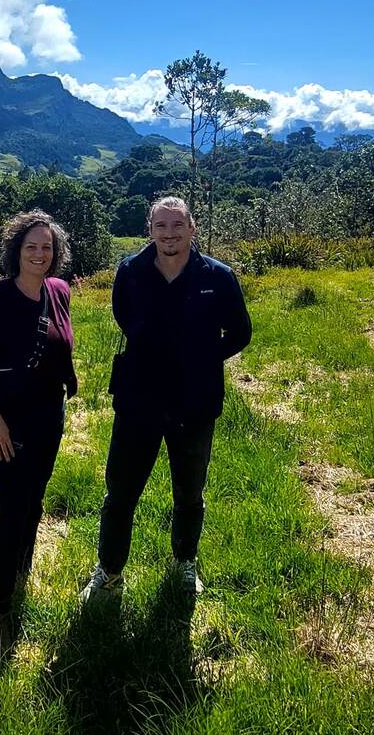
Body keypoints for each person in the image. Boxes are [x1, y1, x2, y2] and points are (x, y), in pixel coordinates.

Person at [81, 195, 251, 601]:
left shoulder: (219, 277)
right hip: (139, 399)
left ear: (192, 228)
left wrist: (200, 359)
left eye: (178, 226)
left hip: (195, 402)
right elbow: (125, 318)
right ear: (150, 230)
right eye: (161, 226)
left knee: (189, 494)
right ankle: (109, 572)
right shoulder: (131, 272)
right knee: (120, 494)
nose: (170, 234)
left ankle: (183, 564)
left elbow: (240, 332)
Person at [0, 210, 77, 654]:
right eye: (31, 246)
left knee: (34, 501)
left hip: (48, 415)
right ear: (16, 250)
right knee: (11, 509)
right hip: (4, 419)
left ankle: (21, 571)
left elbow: (60, 346)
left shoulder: (60, 292)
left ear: (56, 252)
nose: (39, 254)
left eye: (46, 247)